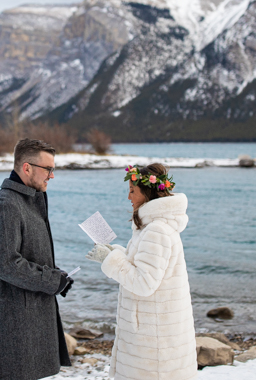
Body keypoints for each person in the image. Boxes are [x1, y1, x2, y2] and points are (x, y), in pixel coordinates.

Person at [0, 138, 73, 380]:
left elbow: (30, 255)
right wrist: (52, 281)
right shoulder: (6, 205)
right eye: (49, 169)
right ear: (27, 168)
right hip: (14, 323)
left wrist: (59, 277)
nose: (52, 176)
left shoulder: (28, 198)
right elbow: (7, 265)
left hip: (29, 316)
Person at [85, 163, 197, 380]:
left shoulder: (156, 231)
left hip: (152, 342)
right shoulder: (152, 226)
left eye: (132, 191)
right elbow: (141, 265)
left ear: (147, 193)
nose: (128, 198)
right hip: (152, 333)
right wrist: (113, 251)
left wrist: (109, 259)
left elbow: (144, 283)